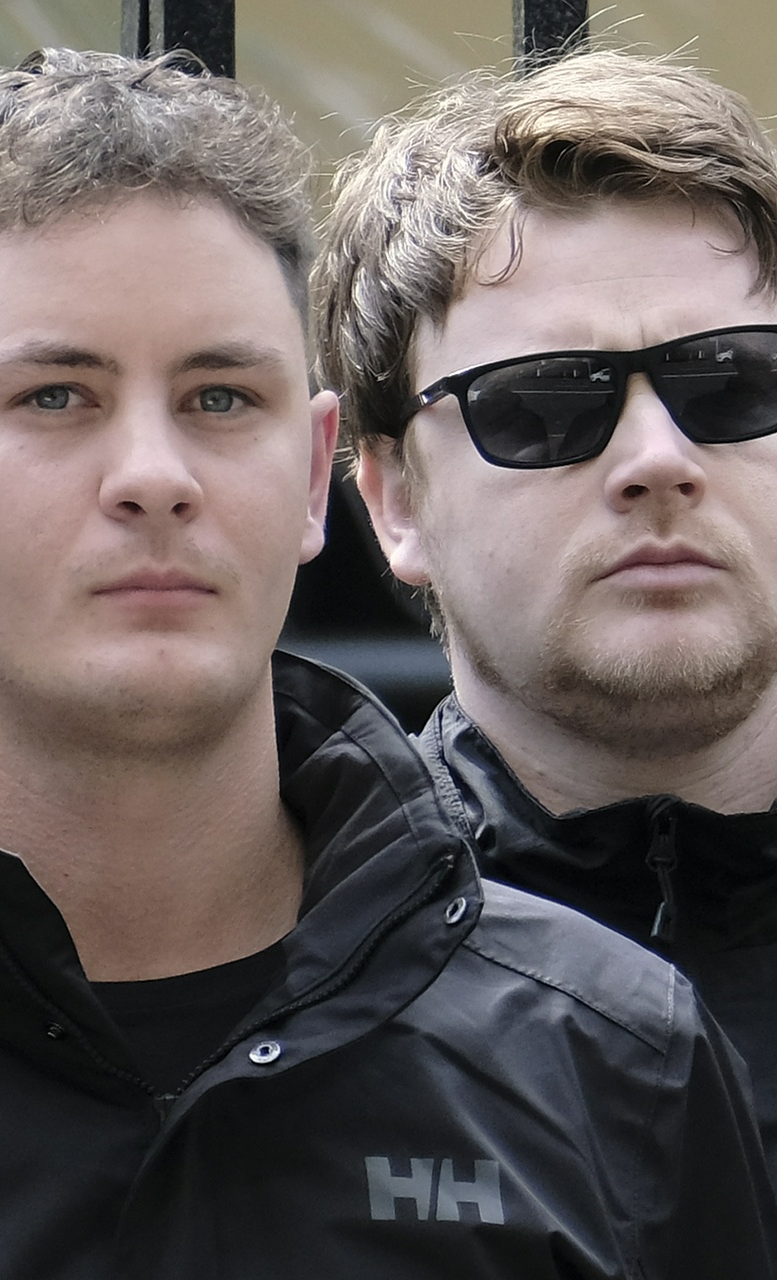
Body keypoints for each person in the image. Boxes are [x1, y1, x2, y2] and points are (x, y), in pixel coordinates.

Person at [0, 48, 773, 1280]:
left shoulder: (618, 1061)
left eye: (221, 396)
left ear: (308, 466)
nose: (154, 475)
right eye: (56, 394)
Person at [315, 47, 777, 1182]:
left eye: (732, 381)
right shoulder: (276, 962)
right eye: (539, 402)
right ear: (392, 498)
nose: (656, 459)